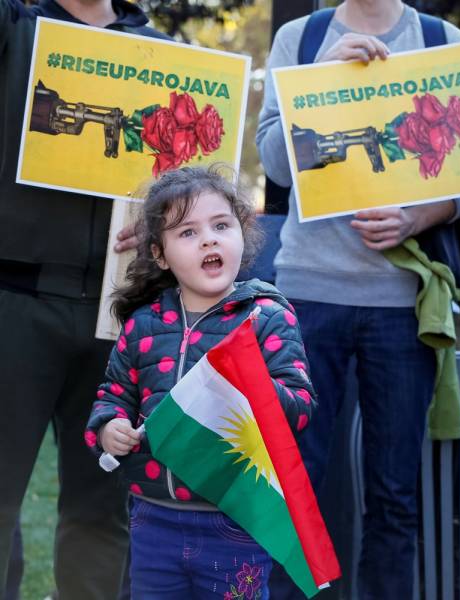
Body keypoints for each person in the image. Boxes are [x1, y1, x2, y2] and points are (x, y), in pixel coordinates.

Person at [256, 1, 460, 599]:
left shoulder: (442, 40)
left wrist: (418, 217)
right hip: (308, 292)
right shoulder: (301, 37)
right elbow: (277, 167)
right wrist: (322, 80)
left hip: (402, 302)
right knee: (295, 488)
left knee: (394, 493)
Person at [84, 166, 316, 599]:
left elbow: (300, 408)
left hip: (236, 520)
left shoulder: (266, 318)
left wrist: (257, 391)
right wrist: (106, 428)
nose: (209, 239)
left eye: (221, 225)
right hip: (153, 520)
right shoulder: (143, 325)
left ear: (242, 235)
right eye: (187, 233)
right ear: (159, 253)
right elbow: (114, 396)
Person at [0, 0, 167, 598]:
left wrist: (162, 221)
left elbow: (190, 185)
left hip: (118, 313)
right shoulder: (15, 24)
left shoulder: (160, 48)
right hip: (14, 299)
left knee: (102, 511)